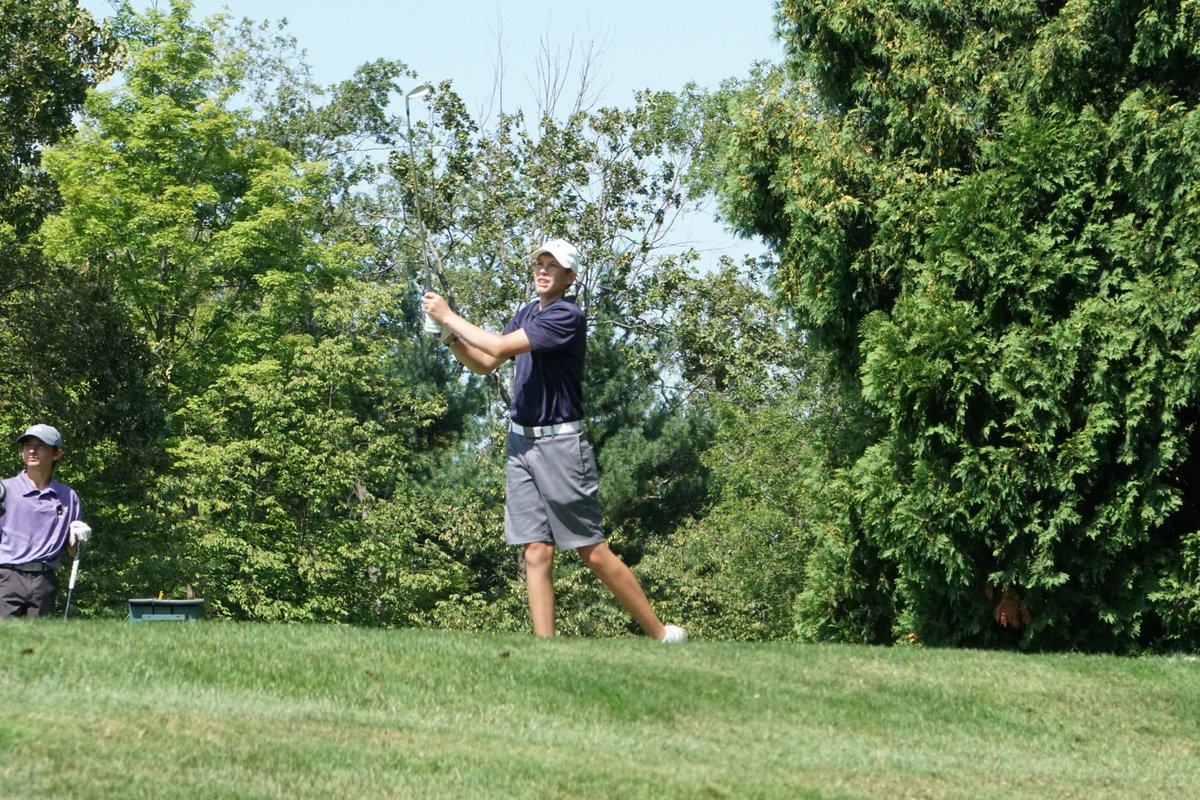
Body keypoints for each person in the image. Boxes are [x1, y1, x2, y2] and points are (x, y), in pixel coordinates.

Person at [423, 238, 686, 643]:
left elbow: (497, 344)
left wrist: (450, 314)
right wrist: (448, 337)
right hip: (520, 443)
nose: (542, 270)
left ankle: (660, 634)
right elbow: (485, 363)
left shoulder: (566, 315)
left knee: (591, 551)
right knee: (535, 550)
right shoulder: (528, 312)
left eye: (552, 266)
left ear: (570, 277)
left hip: (560, 445)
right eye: (539, 264)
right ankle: (546, 649)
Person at [0, 424, 91, 617]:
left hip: (44, 580)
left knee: (35, 644)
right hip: (7, 577)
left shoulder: (67, 496)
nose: (32, 450)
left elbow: (71, 550)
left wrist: (79, 538)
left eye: (40, 445)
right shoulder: (4, 490)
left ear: (56, 453)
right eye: (27, 445)